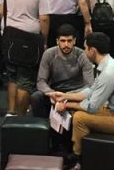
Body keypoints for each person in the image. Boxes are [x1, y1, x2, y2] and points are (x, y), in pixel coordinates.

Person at [50, 32, 114, 170]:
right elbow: (90, 91)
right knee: (79, 113)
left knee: (80, 118)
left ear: (92, 50)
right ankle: (77, 151)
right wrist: (64, 96)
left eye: (85, 48)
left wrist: (68, 105)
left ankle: (80, 162)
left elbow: (92, 106)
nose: (84, 51)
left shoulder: (109, 72)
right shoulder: (108, 65)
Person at [0, 0, 51, 117]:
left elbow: (1, 10)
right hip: (29, 38)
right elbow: (44, 18)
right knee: (25, 80)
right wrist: (44, 40)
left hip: (9, 34)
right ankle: (21, 119)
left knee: (12, 76)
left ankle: (11, 112)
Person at [32, 25, 95, 156]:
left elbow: (90, 85)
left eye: (69, 41)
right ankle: (43, 139)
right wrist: (51, 94)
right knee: (36, 97)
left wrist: (67, 97)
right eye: (63, 41)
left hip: (76, 93)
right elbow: (41, 81)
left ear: (74, 41)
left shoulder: (82, 55)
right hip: (55, 92)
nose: (66, 44)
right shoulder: (49, 54)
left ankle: (70, 147)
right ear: (57, 41)